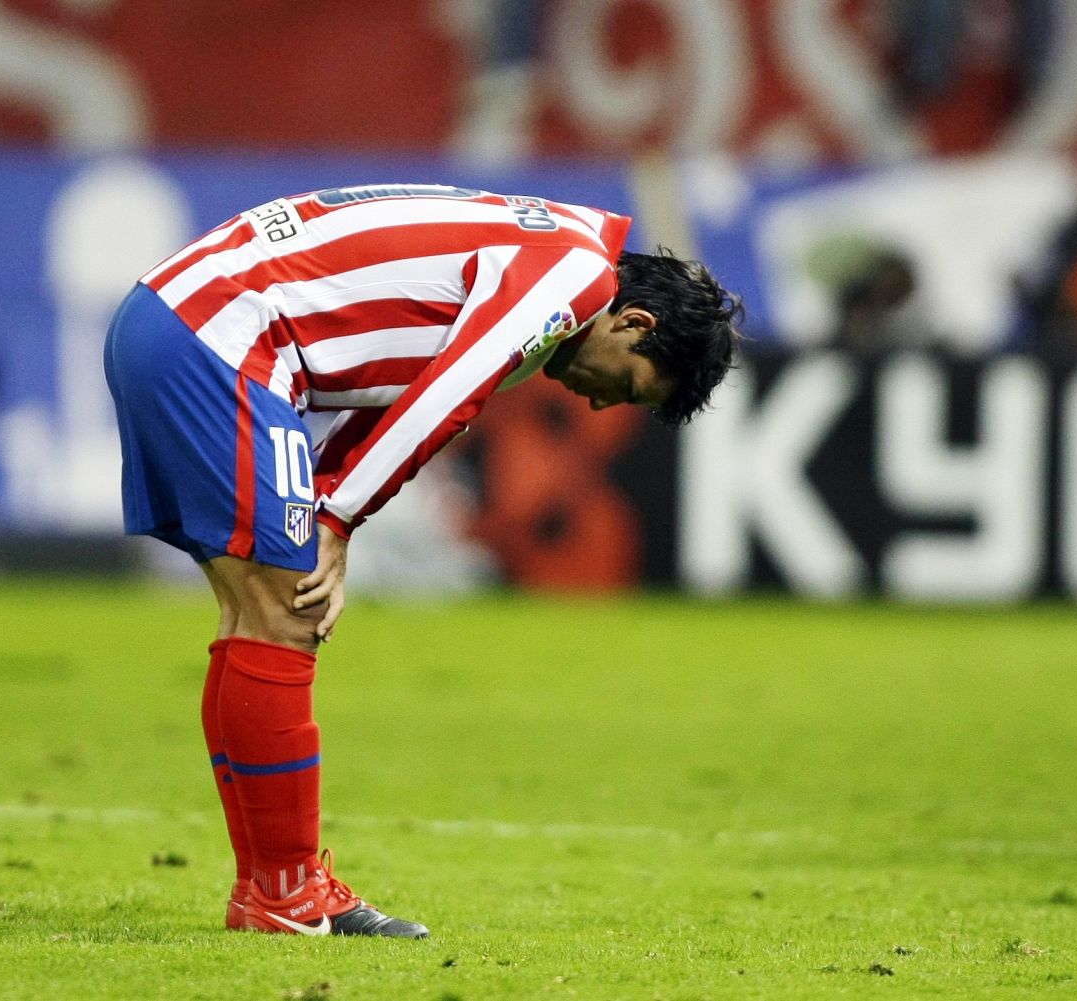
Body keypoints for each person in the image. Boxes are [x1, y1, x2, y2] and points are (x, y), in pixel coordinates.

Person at [103, 184, 740, 938]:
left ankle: (269, 889)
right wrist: (337, 515)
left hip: (182, 320)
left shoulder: (555, 252)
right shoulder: (571, 278)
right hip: (222, 338)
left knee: (258, 612)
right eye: (629, 384)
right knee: (284, 613)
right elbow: (448, 395)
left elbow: (396, 392)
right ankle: (285, 892)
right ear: (633, 321)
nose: (603, 406)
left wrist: (332, 502)